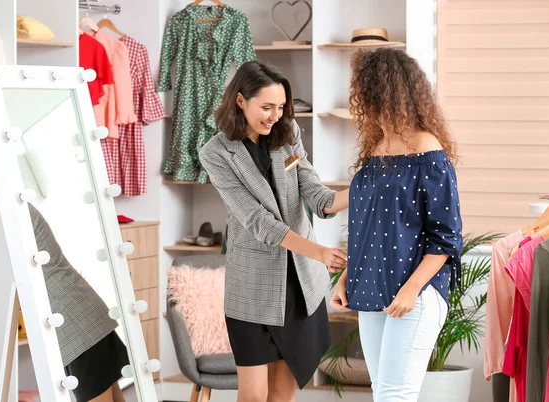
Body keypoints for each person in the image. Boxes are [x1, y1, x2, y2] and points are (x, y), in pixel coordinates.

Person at [199, 60, 350, 402]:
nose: (275, 116)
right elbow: (257, 220)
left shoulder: (288, 134)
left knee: (282, 393)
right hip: (251, 290)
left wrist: (362, 188)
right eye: (266, 107)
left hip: (300, 286)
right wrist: (320, 252)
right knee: (253, 395)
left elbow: (316, 194)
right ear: (241, 101)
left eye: (281, 107)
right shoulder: (216, 153)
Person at [330, 48, 464, 401]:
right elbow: (367, 227)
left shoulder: (428, 150)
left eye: (366, 92)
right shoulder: (377, 149)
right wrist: (347, 278)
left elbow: (446, 237)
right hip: (373, 289)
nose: (362, 102)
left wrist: (411, 290)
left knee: (395, 395)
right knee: (384, 392)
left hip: (415, 294)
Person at [29, 203, 128, 402]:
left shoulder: (9, 207)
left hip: (74, 323)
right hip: (83, 313)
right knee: (113, 396)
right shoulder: (14, 206)